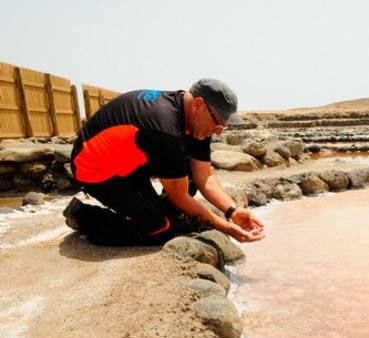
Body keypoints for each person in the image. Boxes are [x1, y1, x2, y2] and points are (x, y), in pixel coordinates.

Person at [63, 79, 264, 246]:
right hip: (95, 168)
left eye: (223, 126)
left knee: (187, 179)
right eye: (218, 123)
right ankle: (83, 216)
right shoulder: (164, 127)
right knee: (159, 229)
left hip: (130, 161)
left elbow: (204, 176)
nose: (218, 130)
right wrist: (225, 227)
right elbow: (180, 197)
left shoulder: (199, 120)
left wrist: (233, 211)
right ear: (198, 105)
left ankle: (159, 214)